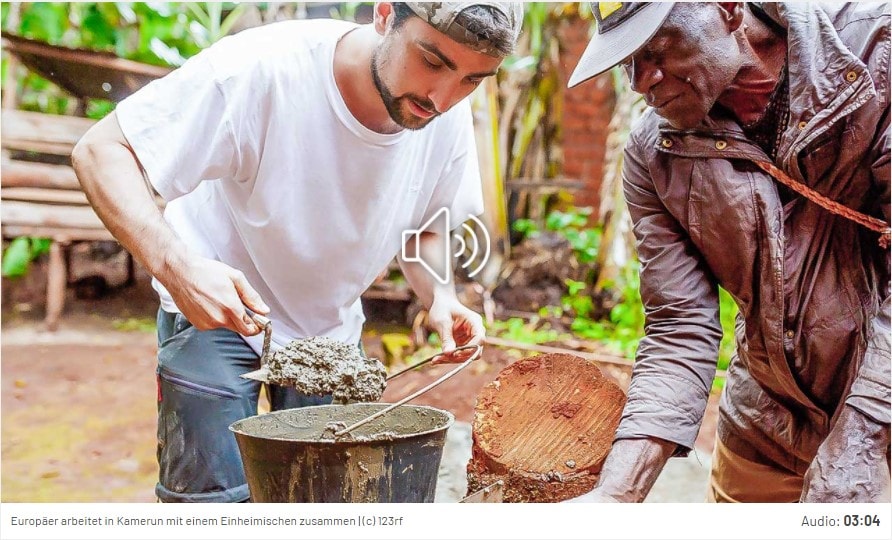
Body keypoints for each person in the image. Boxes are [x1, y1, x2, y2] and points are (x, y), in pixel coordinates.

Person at [72, 1, 523, 503]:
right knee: (209, 505)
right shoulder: (262, 70)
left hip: (331, 337)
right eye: (433, 62)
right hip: (217, 314)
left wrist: (439, 295)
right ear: (384, 14)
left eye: (472, 80)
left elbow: (425, 225)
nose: (442, 97)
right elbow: (101, 151)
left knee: (332, 505)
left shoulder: (444, 116)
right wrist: (178, 268)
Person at [567, 2, 890, 502]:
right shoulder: (656, 154)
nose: (639, 82)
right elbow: (680, 325)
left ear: (728, 9)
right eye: (628, 59)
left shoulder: (875, 51)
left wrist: (865, 432)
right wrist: (616, 496)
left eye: (657, 48)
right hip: (767, 429)